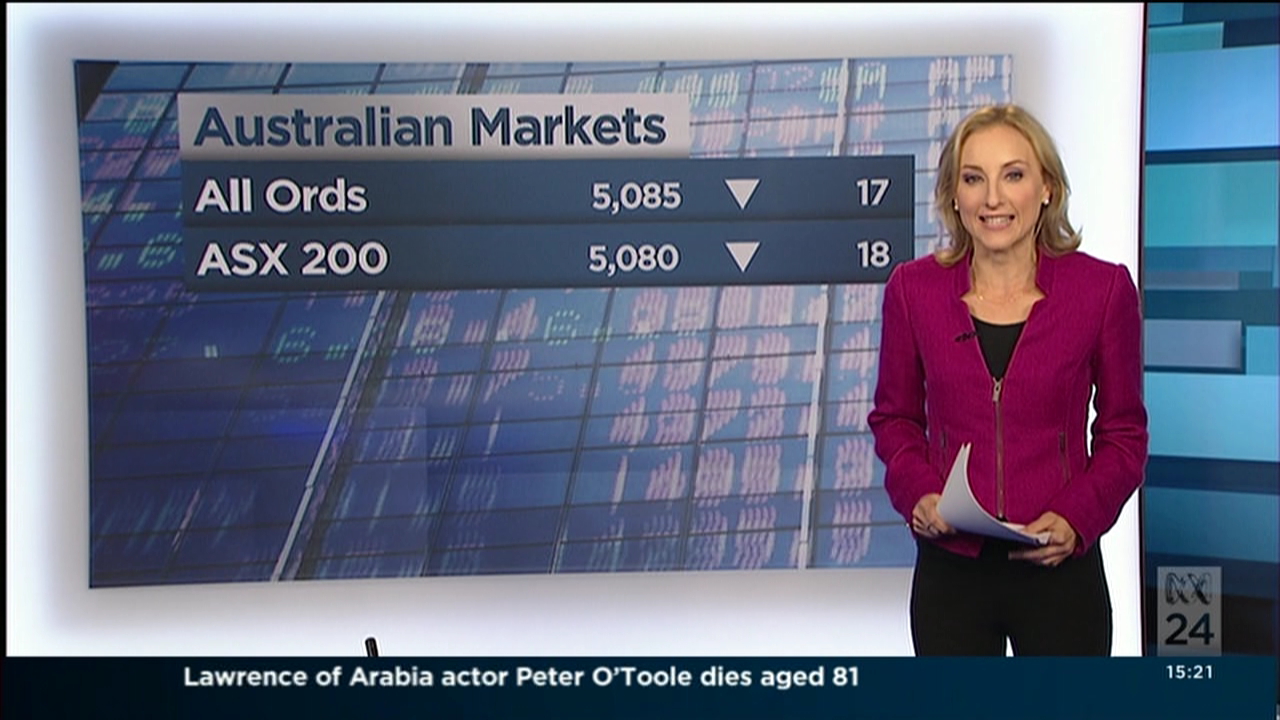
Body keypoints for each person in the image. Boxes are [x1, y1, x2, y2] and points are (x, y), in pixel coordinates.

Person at [867, 104, 1148, 656]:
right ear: (954, 196)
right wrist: (918, 492)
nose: (992, 199)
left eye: (1013, 175)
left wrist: (1077, 518)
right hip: (952, 574)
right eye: (974, 179)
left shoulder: (1103, 291)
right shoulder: (913, 290)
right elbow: (894, 419)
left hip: (1060, 571)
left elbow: (1124, 436)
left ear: (1046, 189)